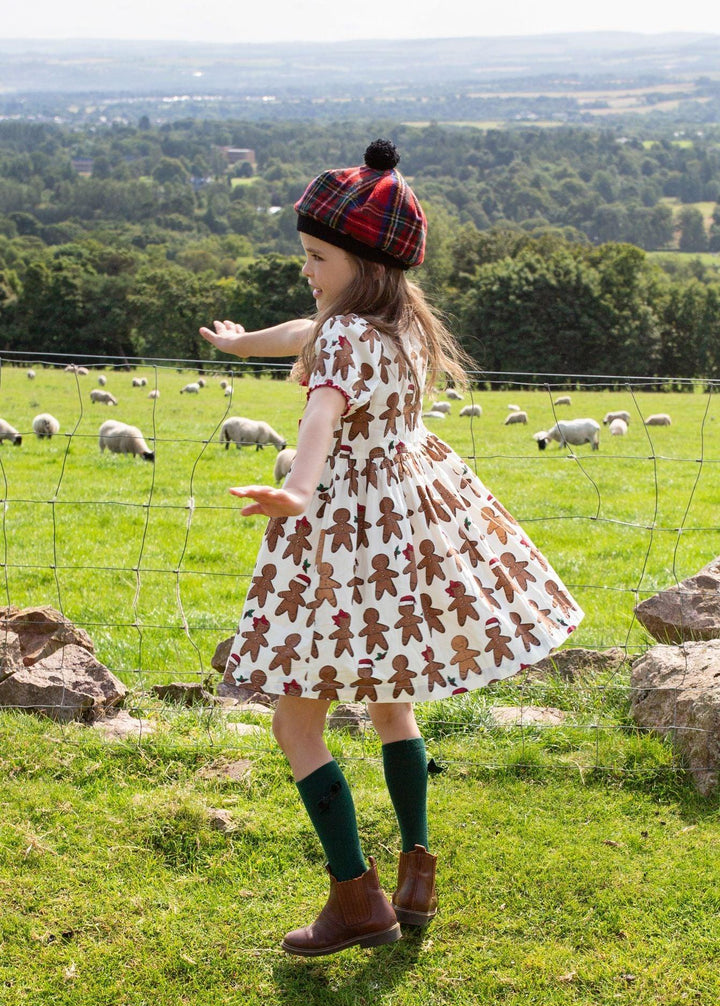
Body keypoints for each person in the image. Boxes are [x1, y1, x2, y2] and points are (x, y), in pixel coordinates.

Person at [199, 140, 583, 957]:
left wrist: (297, 490)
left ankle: (355, 897)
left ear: (363, 261)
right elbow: (314, 334)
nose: (305, 266)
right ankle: (416, 871)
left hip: (340, 542)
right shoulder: (402, 322)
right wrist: (241, 346)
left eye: (315, 255)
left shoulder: (344, 342)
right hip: (405, 538)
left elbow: (318, 416)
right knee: (390, 699)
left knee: (295, 722)